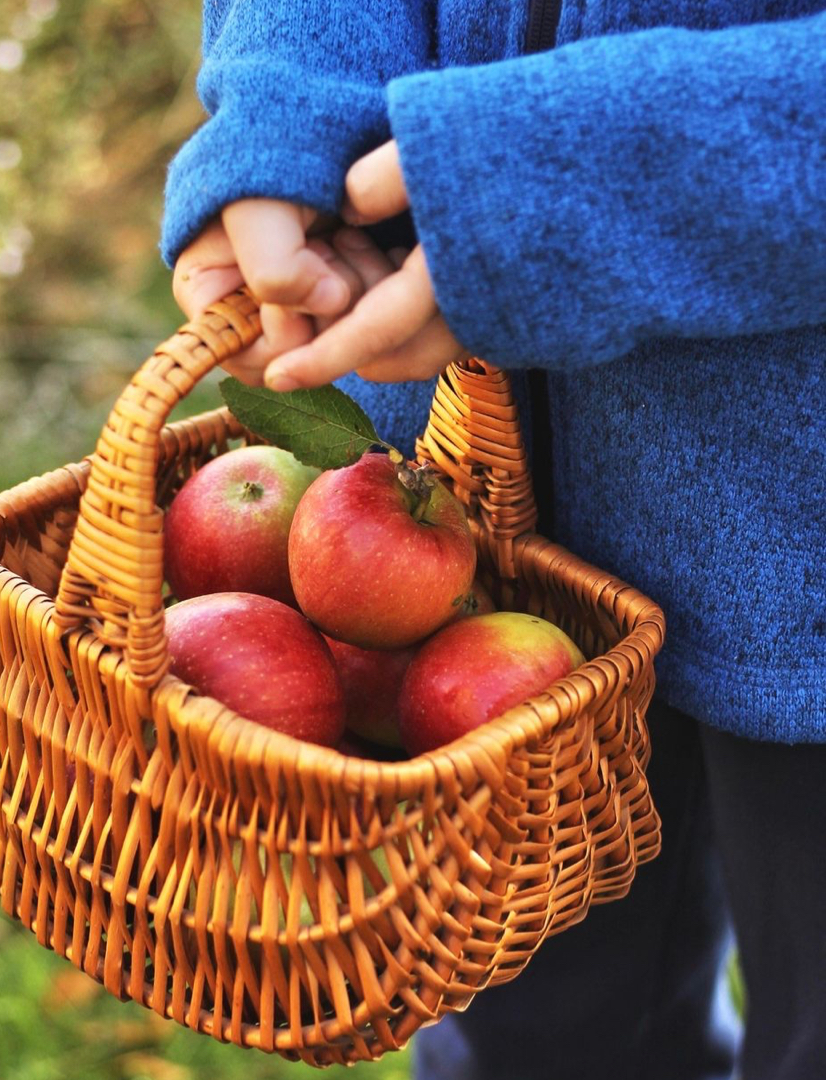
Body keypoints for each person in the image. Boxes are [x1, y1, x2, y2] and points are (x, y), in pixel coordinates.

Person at [161, 5, 826, 1079]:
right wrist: (288, 108)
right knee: (528, 1032)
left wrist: (577, 184)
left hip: (804, 539)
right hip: (481, 516)